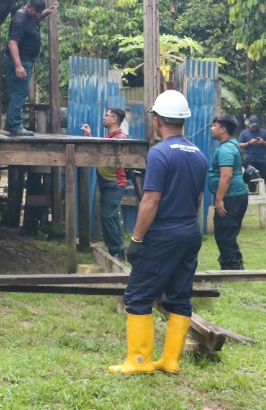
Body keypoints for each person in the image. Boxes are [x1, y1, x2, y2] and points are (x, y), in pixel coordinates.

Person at [110, 90, 208, 375]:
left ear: (158, 120)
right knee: (180, 295)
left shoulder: (160, 153)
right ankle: (170, 360)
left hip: (165, 233)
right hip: (190, 231)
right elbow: (199, 199)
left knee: (138, 295)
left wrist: (136, 239)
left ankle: (139, 362)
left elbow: (151, 200)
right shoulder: (199, 155)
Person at [3, 0, 57, 136]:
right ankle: (14, 125)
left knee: (20, 91)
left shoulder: (30, 15)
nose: (38, 15)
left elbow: (36, 18)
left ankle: (12, 124)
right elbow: (13, 43)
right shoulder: (19, 20)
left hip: (27, 59)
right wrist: (18, 65)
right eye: (37, 12)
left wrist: (46, 13)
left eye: (40, 12)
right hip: (20, 60)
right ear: (29, 6)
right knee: (19, 92)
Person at [81, 107, 129, 259]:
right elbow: (100, 151)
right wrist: (89, 136)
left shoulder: (120, 138)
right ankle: (118, 250)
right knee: (111, 217)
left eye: (106, 115)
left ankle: (116, 251)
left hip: (115, 183)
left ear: (114, 119)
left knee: (108, 216)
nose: (104, 117)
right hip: (107, 182)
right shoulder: (111, 136)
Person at [210, 114, 248, 270]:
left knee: (224, 235)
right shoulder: (232, 144)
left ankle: (230, 270)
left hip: (230, 198)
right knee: (228, 234)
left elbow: (226, 175)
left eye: (214, 126)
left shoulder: (226, 149)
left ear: (222, 129)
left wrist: (219, 200)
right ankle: (237, 267)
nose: (211, 128)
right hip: (235, 196)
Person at [238, 116, 266, 205]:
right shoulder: (244, 133)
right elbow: (239, 144)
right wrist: (249, 143)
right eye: (253, 126)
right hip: (249, 159)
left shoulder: (264, 132)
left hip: (261, 159)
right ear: (249, 125)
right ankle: (251, 194)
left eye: (256, 126)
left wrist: (263, 142)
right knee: (250, 177)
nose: (255, 127)